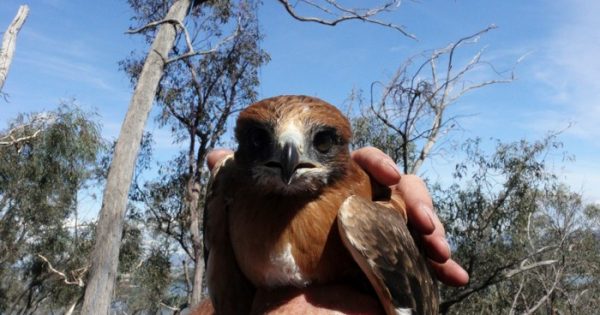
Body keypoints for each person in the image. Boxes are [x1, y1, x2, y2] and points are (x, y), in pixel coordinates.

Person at [202, 147, 469, 314]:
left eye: (322, 142)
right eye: (260, 139)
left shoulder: (362, 217)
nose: (289, 155)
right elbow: (229, 299)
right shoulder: (229, 190)